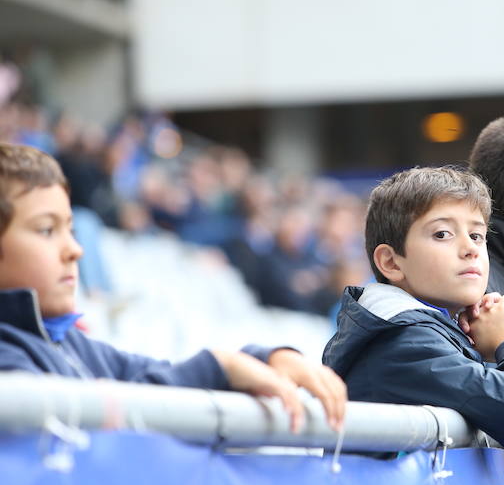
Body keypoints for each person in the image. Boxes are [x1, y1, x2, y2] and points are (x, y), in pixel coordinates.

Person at [0, 143, 347, 433]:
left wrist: (262, 360)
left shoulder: (68, 343)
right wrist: (221, 366)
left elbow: (152, 378)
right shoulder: (10, 360)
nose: (75, 249)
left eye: (70, 229)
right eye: (46, 230)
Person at [322, 167, 504, 467]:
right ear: (391, 262)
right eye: (442, 234)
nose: (469, 248)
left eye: (477, 235)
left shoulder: (452, 332)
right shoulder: (402, 342)